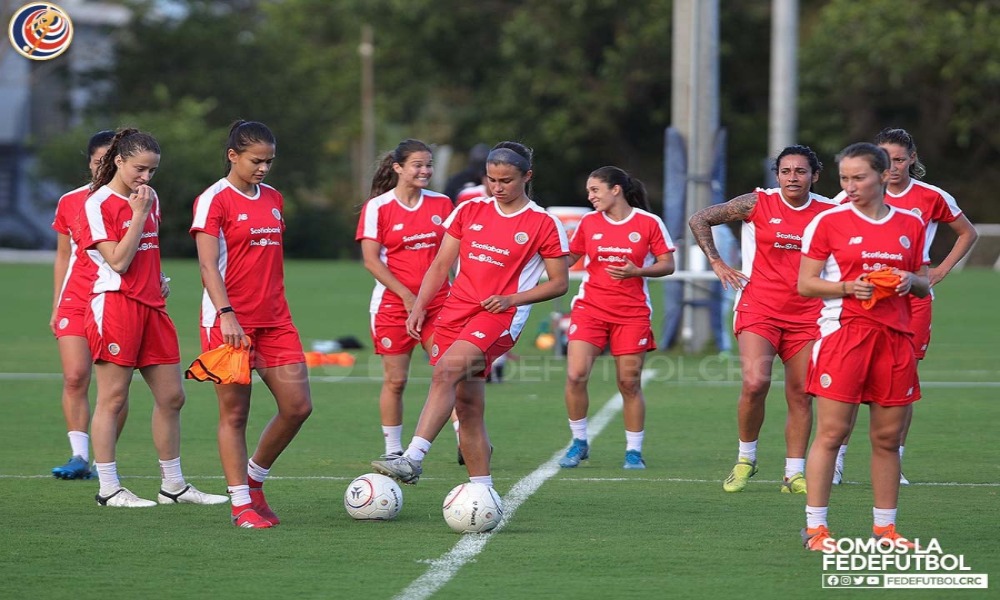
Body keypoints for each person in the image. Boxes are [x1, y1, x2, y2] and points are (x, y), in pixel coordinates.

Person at [371, 141, 569, 489]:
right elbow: (440, 264)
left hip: (498, 319)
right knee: (468, 407)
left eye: (506, 180)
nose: (497, 187)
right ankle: (483, 489)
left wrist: (512, 299)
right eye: (492, 179)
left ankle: (412, 458)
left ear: (527, 177)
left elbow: (559, 284)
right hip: (454, 313)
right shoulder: (469, 210)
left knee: (446, 372)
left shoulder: (543, 222)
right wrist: (418, 308)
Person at [82, 128, 227, 508]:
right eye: (139, 169)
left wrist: (158, 278)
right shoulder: (99, 203)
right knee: (112, 398)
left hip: (152, 307)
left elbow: (147, 251)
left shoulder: (150, 198)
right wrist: (138, 214)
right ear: (119, 162)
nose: (146, 178)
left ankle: (173, 486)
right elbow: (117, 260)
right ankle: (109, 488)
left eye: (152, 171)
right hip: (115, 305)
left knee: (172, 396)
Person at [798, 142, 929, 550]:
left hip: (895, 341)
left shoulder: (910, 223)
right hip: (844, 336)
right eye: (844, 178)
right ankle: (816, 529)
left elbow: (924, 282)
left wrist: (910, 281)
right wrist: (845, 287)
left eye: (859, 178)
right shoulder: (828, 222)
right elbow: (805, 284)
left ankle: (885, 530)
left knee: (888, 439)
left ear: (883, 173)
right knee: (832, 433)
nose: (850, 186)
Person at [831, 128, 979, 486]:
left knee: (902, 379)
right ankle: (836, 459)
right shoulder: (849, 196)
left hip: (911, 300)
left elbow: (967, 232)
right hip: (862, 300)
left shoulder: (931, 197)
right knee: (851, 378)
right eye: (886, 159)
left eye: (899, 159)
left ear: (912, 158)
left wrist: (940, 269)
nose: (893, 166)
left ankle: (894, 461)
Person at [688, 145, 835, 494]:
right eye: (786, 171)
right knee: (755, 384)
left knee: (801, 395)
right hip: (759, 308)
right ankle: (746, 459)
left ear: (815, 175)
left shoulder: (831, 212)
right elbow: (700, 219)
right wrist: (717, 262)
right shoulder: (757, 203)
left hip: (809, 314)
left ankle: (794, 473)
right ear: (777, 175)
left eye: (801, 171)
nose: (792, 177)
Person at [191, 120, 313, 528]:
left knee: (298, 407)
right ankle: (241, 505)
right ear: (232, 155)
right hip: (229, 323)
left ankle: (254, 481)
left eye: (269, 161)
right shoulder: (214, 200)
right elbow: (208, 266)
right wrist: (227, 315)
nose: (263, 168)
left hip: (276, 320)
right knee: (235, 415)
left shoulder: (274, 198)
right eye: (255, 160)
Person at [557, 166, 675, 470]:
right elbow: (570, 257)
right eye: (589, 191)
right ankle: (579, 442)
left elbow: (667, 264)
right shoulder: (589, 222)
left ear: (615, 190)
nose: (590, 196)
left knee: (628, 383)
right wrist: (544, 249)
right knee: (575, 374)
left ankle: (633, 452)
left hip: (632, 314)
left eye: (594, 190)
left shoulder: (649, 223)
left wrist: (638, 271)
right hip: (590, 308)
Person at [356, 139, 462, 461]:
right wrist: (405, 295)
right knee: (396, 380)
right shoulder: (377, 208)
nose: (425, 170)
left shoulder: (443, 203)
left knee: (449, 372)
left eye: (428, 165)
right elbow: (371, 260)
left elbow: (453, 255)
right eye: (418, 165)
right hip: (392, 306)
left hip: (439, 302)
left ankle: (463, 440)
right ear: (398, 168)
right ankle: (392, 451)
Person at [49, 130, 131, 479]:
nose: (103, 168)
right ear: (90, 161)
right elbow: (64, 255)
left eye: (108, 162)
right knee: (75, 376)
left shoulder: (136, 199)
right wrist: (57, 304)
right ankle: (79, 457)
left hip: (114, 297)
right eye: (98, 161)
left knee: (114, 386)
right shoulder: (71, 201)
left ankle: (103, 461)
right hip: (76, 298)